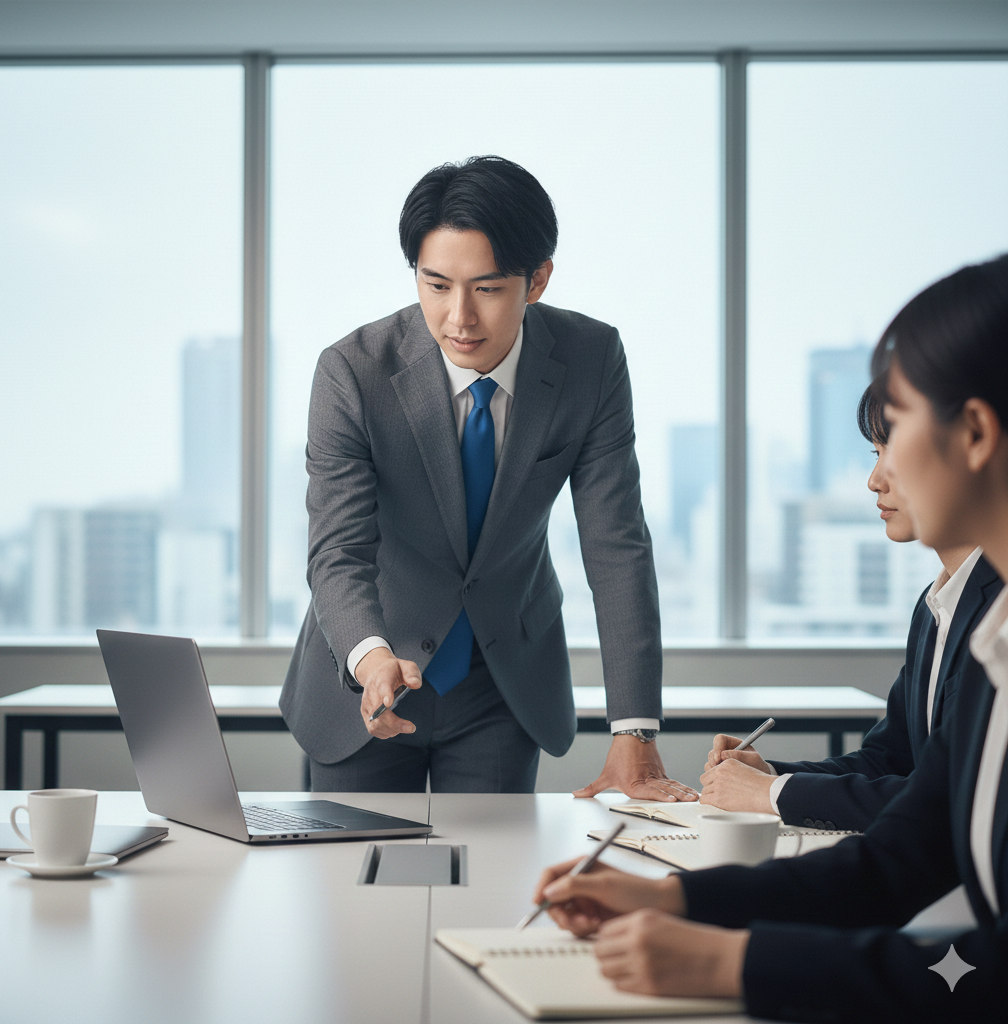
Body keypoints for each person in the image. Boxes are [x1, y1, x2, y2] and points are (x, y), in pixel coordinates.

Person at [533, 253, 1008, 1020]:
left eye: (896, 424)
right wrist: (674, 899)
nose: (876, 472)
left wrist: (733, 964)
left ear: (976, 432)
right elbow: (895, 862)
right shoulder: (995, 649)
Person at [280, 156, 697, 799]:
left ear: (538, 280)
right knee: (353, 864)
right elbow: (338, 549)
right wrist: (370, 657)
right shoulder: (352, 373)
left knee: (494, 863)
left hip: (501, 682)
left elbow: (616, 545)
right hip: (369, 669)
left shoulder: (590, 361)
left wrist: (634, 729)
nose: (459, 318)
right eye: (436, 285)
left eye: (488, 288)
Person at [700, 379, 1002, 831]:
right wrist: (771, 775)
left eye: (892, 454)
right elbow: (891, 759)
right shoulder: (935, 605)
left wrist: (771, 793)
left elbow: (946, 799)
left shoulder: (998, 611)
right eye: (875, 454)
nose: (874, 480)